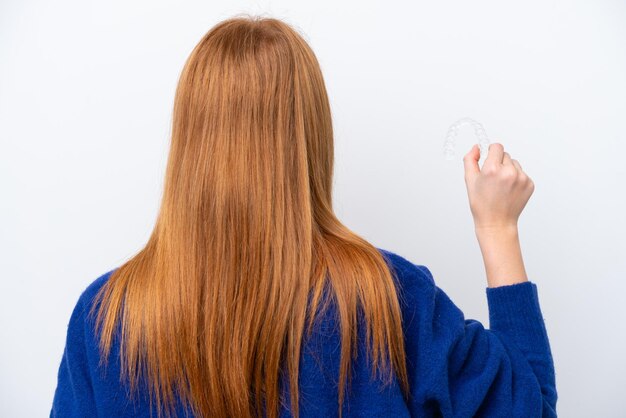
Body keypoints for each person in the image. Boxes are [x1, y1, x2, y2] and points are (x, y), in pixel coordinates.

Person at [50, 14, 557, 418]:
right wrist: (498, 228)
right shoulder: (390, 303)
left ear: (188, 144)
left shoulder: (103, 321)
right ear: (310, 139)